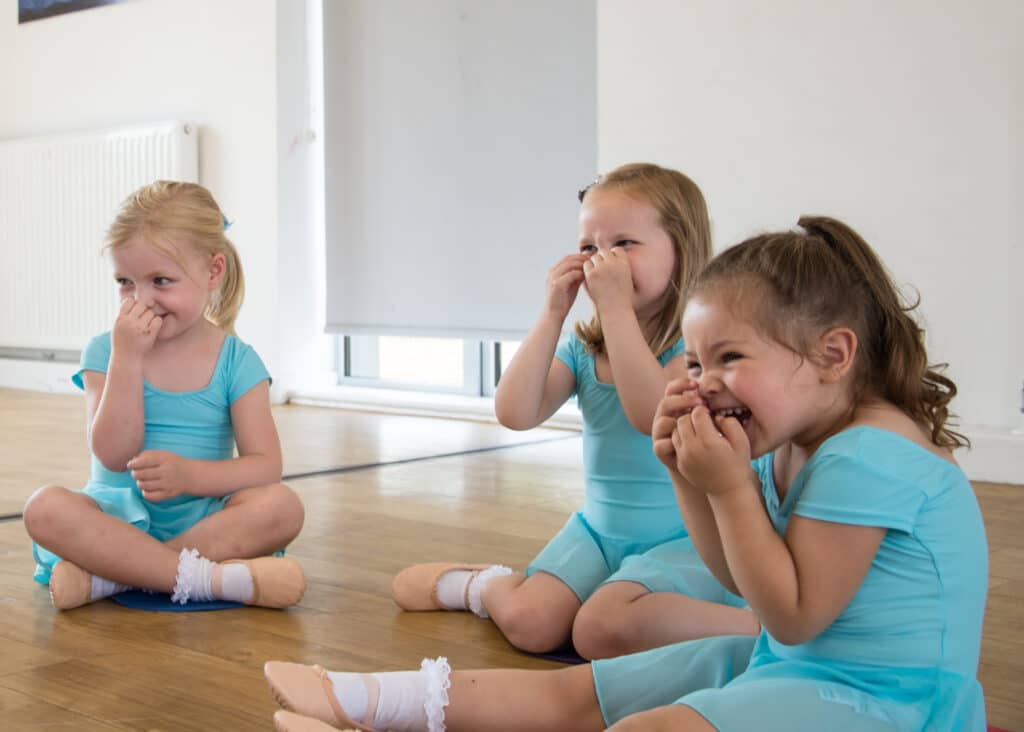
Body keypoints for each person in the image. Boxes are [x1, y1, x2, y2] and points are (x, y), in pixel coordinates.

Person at [263, 215, 987, 731]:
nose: (706, 382)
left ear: (833, 354)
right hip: (793, 662)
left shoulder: (870, 455)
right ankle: (358, 700)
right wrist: (685, 475)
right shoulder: (792, 439)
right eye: (698, 363)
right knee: (583, 692)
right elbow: (744, 581)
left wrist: (729, 487)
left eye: (731, 359)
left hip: (890, 703)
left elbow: (794, 617)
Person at [392, 163, 757, 660]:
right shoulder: (586, 350)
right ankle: (481, 586)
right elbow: (514, 412)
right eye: (589, 246)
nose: (601, 258)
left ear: (682, 249)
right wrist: (552, 313)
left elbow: (652, 417)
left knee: (595, 632)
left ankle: (764, 629)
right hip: (600, 530)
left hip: (687, 540)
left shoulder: (694, 353)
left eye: (624, 243)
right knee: (530, 623)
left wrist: (616, 311)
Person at [24, 180, 306, 610]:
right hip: (114, 521)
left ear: (213, 272)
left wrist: (192, 477)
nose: (142, 300)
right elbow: (112, 455)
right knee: (43, 509)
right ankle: (206, 578)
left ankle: (114, 575)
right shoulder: (105, 351)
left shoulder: (237, 361)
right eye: (125, 282)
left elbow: (267, 467)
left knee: (284, 508)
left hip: (202, 523)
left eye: (161, 280)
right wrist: (128, 359)